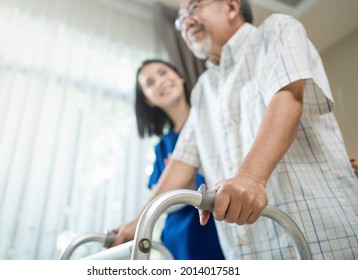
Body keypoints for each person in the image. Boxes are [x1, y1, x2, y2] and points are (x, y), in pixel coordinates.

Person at [112, 0, 358, 260]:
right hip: (247, 255)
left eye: (194, 8)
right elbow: (182, 161)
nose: (186, 22)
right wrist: (140, 221)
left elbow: (288, 98)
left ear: (231, 6)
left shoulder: (276, 30)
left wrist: (251, 178)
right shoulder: (203, 90)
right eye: (180, 19)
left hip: (317, 240)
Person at [111, 59, 224, 260]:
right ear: (148, 100)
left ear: (180, 77)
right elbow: (163, 197)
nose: (160, 82)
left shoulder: (215, 121)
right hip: (178, 238)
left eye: (163, 73)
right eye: (150, 83)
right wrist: (140, 221)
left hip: (214, 230)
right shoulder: (162, 147)